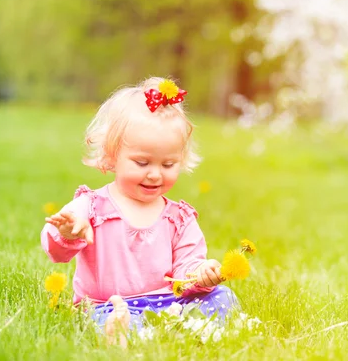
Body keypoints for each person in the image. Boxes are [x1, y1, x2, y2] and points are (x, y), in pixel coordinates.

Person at [40, 77, 237, 347]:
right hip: (107, 305)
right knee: (106, 320)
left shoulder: (178, 219)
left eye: (168, 164)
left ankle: (169, 327)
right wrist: (67, 232)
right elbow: (56, 251)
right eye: (142, 162)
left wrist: (201, 273)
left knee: (223, 297)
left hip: (169, 302)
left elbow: (186, 268)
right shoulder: (91, 206)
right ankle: (142, 331)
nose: (155, 174)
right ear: (111, 156)